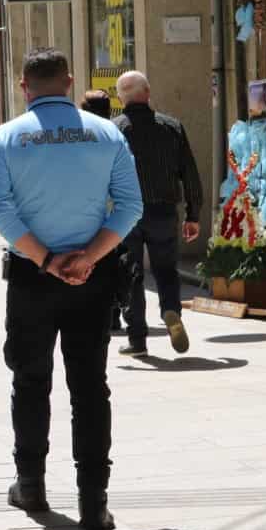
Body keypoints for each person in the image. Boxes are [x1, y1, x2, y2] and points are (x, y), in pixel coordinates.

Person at [0, 48, 143, 530]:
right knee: (90, 387)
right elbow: (129, 206)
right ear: (69, 82)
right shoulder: (106, 133)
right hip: (92, 278)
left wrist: (47, 260)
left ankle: (31, 485)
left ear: (24, 86)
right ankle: (94, 502)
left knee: (30, 381)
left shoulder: (5, 138)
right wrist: (89, 257)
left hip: (32, 276)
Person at [112, 70, 203, 358]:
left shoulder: (113, 130)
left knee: (131, 272)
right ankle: (171, 310)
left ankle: (137, 339)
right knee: (165, 268)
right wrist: (193, 214)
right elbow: (189, 173)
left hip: (126, 213)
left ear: (120, 98)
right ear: (148, 93)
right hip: (163, 210)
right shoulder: (171, 127)